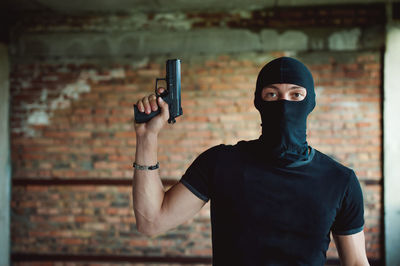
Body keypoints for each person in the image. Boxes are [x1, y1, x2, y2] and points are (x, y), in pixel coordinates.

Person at [132, 57, 370, 266]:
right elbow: (152, 222)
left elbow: (357, 262)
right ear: (258, 101)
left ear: (310, 103)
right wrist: (147, 137)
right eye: (272, 94)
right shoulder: (219, 164)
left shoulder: (340, 181)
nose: (284, 104)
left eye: (296, 94)